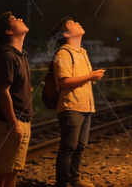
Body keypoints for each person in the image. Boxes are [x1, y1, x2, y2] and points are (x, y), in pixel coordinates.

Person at [51, 18, 105, 187]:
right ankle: (63, 182)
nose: (78, 23)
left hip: (85, 105)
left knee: (80, 146)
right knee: (69, 147)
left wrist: (91, 76)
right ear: (66, 33)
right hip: (71, 106)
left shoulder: (82, 52)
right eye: (72, 23)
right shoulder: (63, 53)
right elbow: (64, 82)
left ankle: (74, 180)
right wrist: (91, 76)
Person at [0, 12, 33, 187]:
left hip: (21, 119)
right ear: (8, 32)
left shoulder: (20, 55)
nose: (20, 19)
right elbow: (2, 90)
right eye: (14, 20)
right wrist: (13, 121)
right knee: (0, 172)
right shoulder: (6, 56)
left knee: (13, 169)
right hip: (9, 121)